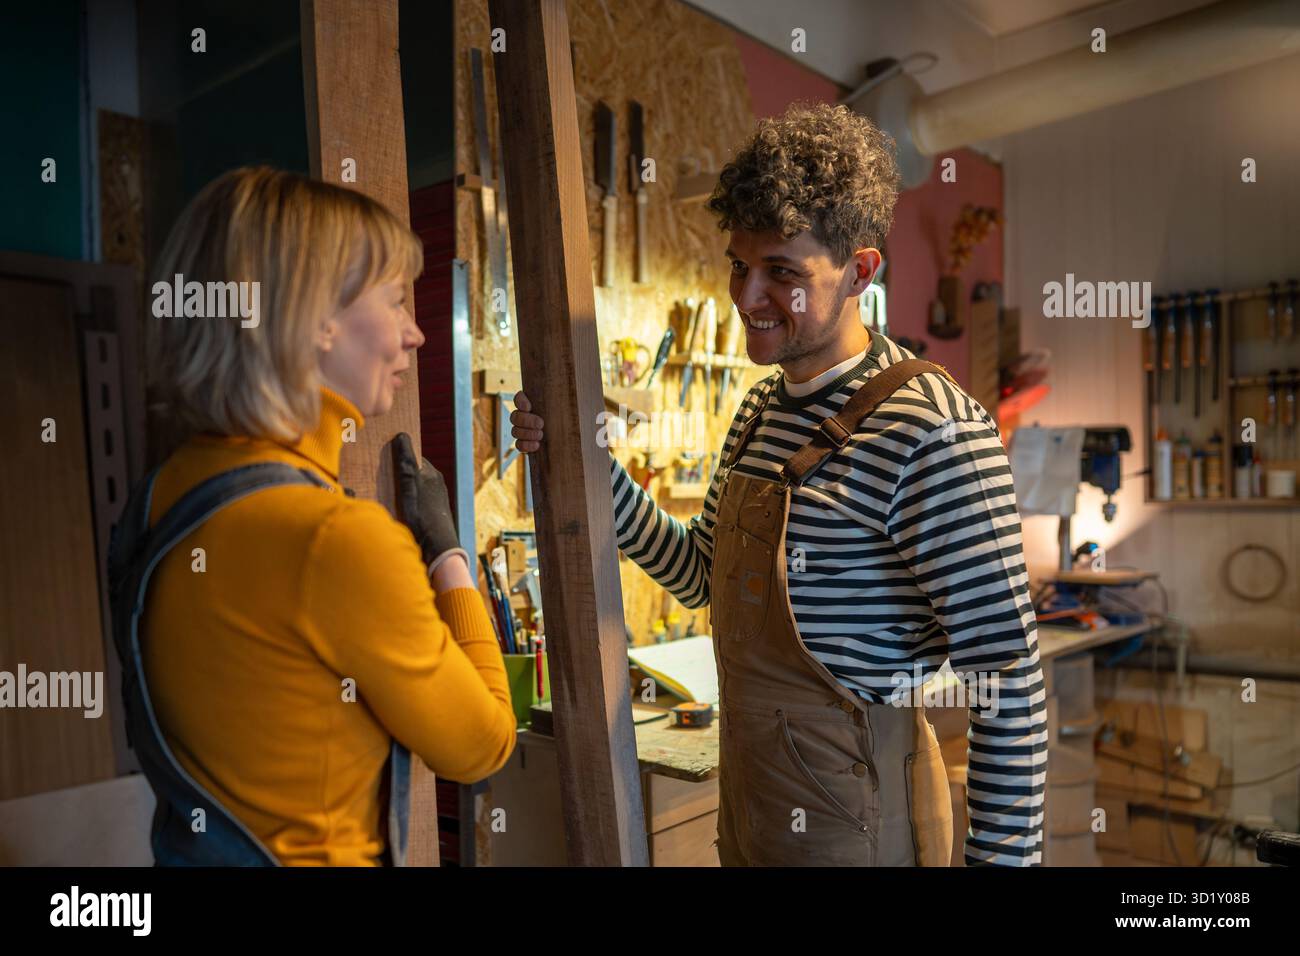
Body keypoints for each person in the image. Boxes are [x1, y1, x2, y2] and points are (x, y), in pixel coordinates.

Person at [512, 103, 1045, 866]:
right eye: (738, 264)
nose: (747, 297)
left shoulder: (930, 428)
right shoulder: (761, 409)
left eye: (782, 273)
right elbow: (700, 577)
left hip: (860, 827)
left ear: (861, 270)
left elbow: (1008, 678)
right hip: (755, 811)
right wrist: (593, 471)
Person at [112, 166, 515, 866]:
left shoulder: (159, 498)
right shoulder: (334, 540)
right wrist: (451, 559)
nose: (416, 335)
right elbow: (482, 747)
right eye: (395, 302)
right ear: (315, 317)